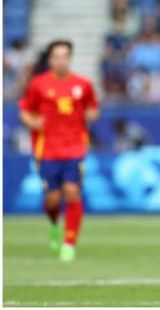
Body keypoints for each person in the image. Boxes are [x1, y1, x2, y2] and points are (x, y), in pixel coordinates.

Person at [18, 40, 100, 261]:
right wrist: (32, 122)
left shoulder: (82, 85)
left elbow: (93, 108)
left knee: (73, 191)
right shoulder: (38, 84)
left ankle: (69, 243)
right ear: (50, 60)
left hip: (74, 148)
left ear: (70, 58)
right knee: (53, 200)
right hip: (47, 150)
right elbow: (24, 110)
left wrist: (91, 115)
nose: (60, 60)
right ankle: (54, 223)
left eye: (64, 56)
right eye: (56, 56)